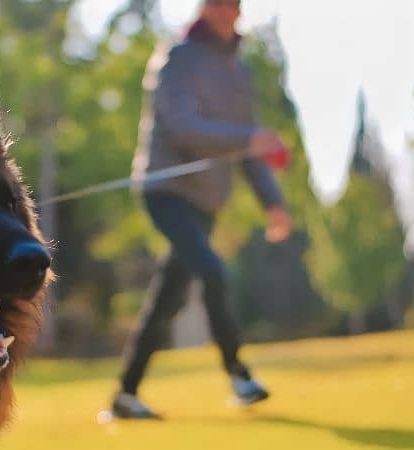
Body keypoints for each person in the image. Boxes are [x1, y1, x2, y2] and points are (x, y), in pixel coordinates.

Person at [113, 0, 293, 419]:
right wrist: (250, 136)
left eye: (231, 4)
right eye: (216, 3)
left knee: (168, 297)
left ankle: (125, 394)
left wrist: (274, 204)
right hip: (166, 191)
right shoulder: (177, 58)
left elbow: (247, 152)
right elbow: (182, 126)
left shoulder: (239, 71)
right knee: (212, 271)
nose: (225, 11)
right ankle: (239, 374)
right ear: (204, 9)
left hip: (206, 202)